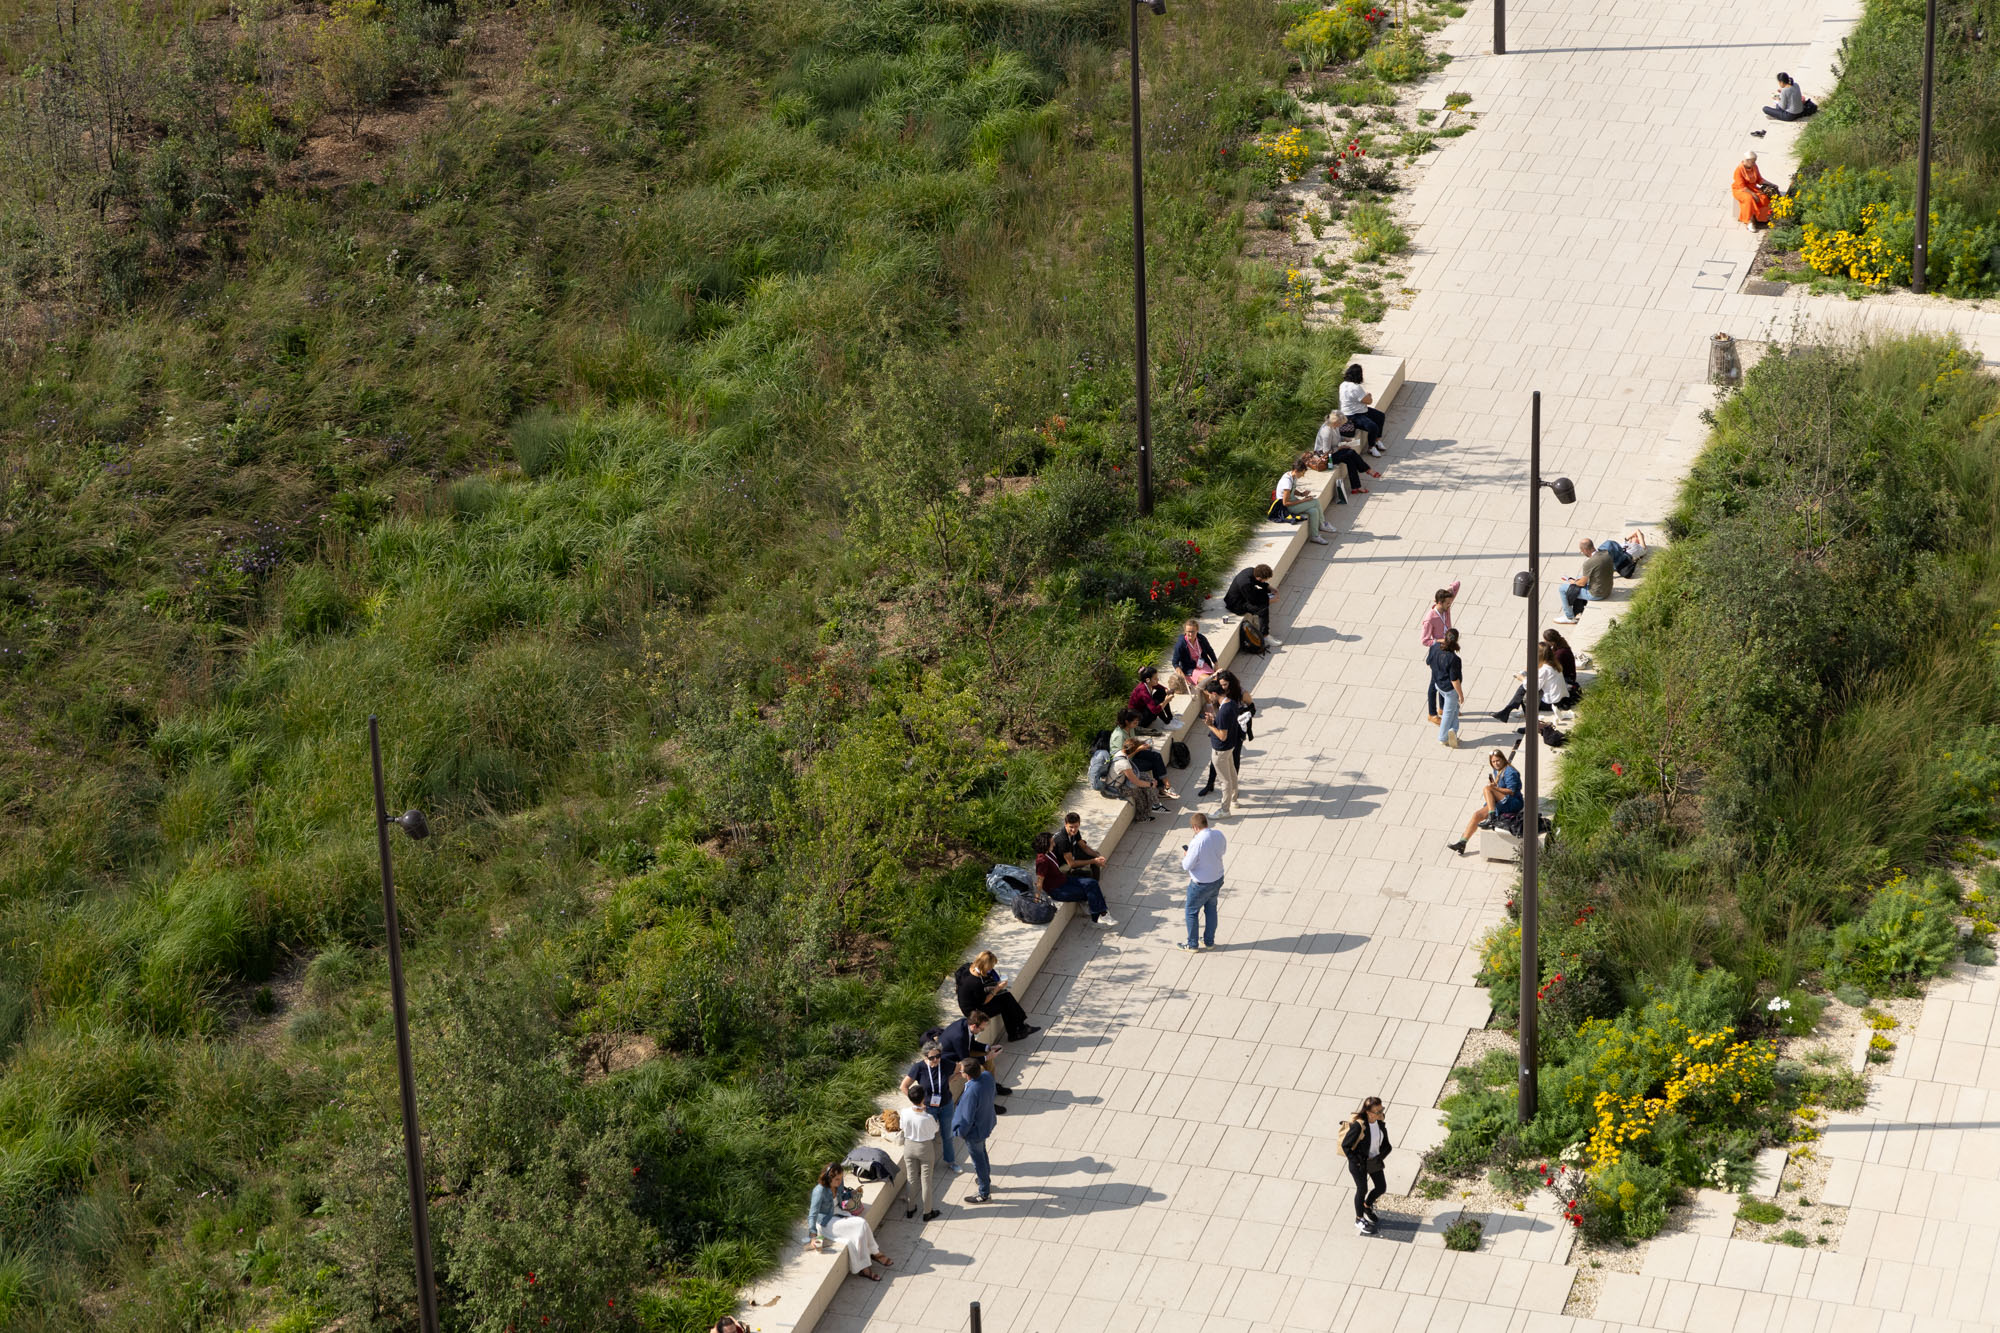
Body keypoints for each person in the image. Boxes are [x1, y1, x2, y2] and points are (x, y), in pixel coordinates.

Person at [808, 1162, 892, 1279]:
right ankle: (875, 1253)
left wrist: (852, 1193)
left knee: (859, 1232)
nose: (839, 1182)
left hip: (839, 1214)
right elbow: (812, 1214)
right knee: (861, 1223)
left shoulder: (838, 1183)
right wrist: (813, 1235)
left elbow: (841, 1197)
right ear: (828, 1178)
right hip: (826, 1222)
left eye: (841, 1178)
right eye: (837, 1179)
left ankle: (865, 1268)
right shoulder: (819, 1191)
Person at [1447, 750, 1524, 855]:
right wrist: (1494, 786)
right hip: (1500, 800)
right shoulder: (1497, 770)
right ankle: (1462, 842)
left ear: (1503, 759)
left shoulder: (1510, 772)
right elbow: (1498, 788)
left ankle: (1492, 817)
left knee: (1487, 789)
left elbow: (1511, 791)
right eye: (1493, 762)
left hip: (1514, 802)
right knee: (1477, 815)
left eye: (1498, 761)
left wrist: (1494, 789)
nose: (1496, 763)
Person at [900, 1041, 958, 1173]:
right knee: (927, 1137)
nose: (936, 1060)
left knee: (947, 1135)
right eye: (932, 1058)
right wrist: (917, 1102)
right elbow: (904, 1087)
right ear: (925, 1057)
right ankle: (927, 1163)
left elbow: (959, 1069)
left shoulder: (945, 1063)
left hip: (946, 1105)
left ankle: (950, 1161)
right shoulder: (918, 1067)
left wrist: (948, 1082)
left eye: (938, 1056)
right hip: (928, 1108)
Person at [954, 949, 1039, 1038]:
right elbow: (984, 1001)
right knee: (1005, 1004)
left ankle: (1020, 1027)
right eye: (990, 968)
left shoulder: (967, 967)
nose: (990, 970)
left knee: (1006, 996)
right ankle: (1015, 1032)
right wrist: (996, 989)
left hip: (967, 1003)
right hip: (974, 1012)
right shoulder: (975, 982)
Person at [1033, 830, 1112, 925]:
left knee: (1092, 883)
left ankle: (1101, 912)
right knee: (1089, 892)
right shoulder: (1042, 861)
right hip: (1057, 890)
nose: (1054, 844)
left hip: (1063, 880)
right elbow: (1040, 880)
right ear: (1046, 844)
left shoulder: (1049, 852)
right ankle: (1098, 918)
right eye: (1052, 842)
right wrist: (1036, 898)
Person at [1340, 1097, 1393, 1235]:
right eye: (1378, 1111)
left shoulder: (1380, 1123)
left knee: (1381, 1187)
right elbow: (1345, 1146)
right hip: (1359, 1164)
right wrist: (1357, 1161)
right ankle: (1359, 1219)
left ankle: (1367, 1205)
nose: (1381, 1112)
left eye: (1382, 1109)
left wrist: (1379, 1157)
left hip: (1373, 1160)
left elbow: (1387, 1145)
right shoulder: (1359, 1126)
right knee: (1362, 1189)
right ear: (1369, 1113)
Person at [1195, 672, 1253, 797]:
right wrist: (1213, 675)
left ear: (1231, 683)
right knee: (1216, 759)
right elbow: (1200, 687)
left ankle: (1233, 789)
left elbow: (1252, 709)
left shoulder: (1242, 693)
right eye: (1221, 685)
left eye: (1225, 684)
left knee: (1234, 759)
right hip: (1221, 726)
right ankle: (1210, 784)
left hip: (1236, 731)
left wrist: (1239, 714)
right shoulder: (1219, 694)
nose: (1223, 688)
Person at [951, 1056, 998, 1203]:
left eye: (961, 1070)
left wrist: (961, 1132)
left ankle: (984, 1193)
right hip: (986, 1122)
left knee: (978, 1161)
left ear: (966, 1075)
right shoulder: (987, 1076)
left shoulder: (972, 1092)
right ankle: (985, 1179)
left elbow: (966, 1117)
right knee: (982, 1152)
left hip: (975, 1131)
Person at [1178, 811, 1226, 952]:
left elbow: (1187, 865)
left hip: (1200, 883)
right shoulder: (1218, 834)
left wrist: (1186, 855)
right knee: (1211, 909)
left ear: (1195, 827)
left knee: (1191, 912)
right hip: (1217, 878)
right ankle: (1209, 941)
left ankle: (1192, 944)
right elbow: (1222, 851)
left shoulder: (1197, 842)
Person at [938, 1011, 1012, 1102]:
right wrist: (987, 1057)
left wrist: (988, 1048)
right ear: (974, 1026)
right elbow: (966, 1060)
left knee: (988, 1062)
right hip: (952, 1060)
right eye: (981, 1029)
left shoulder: (966, 1024)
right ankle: (985, 1100)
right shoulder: (959, 1036)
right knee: (979, 1069)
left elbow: (971, 1044)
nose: (982, 1030)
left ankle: (992, 1087)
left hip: (962, 1052)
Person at [1110, 708, 1179, 799]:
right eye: (1135, 722)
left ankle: (1166, 786)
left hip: (1133, 754)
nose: (1137, 724)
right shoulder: (1119, 736)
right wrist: (1138, 750)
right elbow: (1121, 758)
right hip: (1126, 761)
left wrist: (1142, 744)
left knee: (1156, 756)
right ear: (1127, 722)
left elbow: (1132, 744)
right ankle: (1162, 789)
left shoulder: (1130, 728)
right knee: (1153, 764)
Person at [1419, 581, 1461, 723]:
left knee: (1447, 676)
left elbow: (1457, 585)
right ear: (1440, 602)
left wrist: (1449, 589)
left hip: (1448, 647)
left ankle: (1443, 707)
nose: (1450, 605)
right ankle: (1432, 713)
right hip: (1438, 651)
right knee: (1434, 683)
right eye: (1448, 603)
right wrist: (1440, 640)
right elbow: (1425, 640)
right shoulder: (1430, 619)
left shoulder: (1445, 609)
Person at [1493, 642, 1565, 724]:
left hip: (1550, 703)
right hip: (1557, 699)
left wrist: (1522, 678)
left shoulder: (1545, 669)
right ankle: (1507, 710)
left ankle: (1530, 725)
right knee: (1524, 690)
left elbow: (1534, 687)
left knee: (1525, 697)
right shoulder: (1552, 664)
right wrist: (1527, 671)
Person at [1312, 413, 1382, 495]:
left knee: (1350, 460)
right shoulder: (1326, 432)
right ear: (1335, 422)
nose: (1342, 425)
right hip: (1326, 457)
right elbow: (1326, 452)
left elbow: (1337, 437)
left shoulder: (1334, 426)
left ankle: (1356, 487)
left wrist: (1345, 439)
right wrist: (1340, 448)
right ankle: (1367, 470)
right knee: (1350, 452)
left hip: (1334, 450)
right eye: (1341, 424)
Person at [1271, 456, 1334, 545]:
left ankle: (1314, 536)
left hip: (1293, 502)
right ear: (1296, 471)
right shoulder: (1287, 482)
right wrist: (1303, 500)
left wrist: (1302, 494)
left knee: (1314, 511)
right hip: (1288, 508)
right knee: (1315, 501)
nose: (1302, 476)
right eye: (1302, 473)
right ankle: (1323, 524)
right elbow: (1285, 503)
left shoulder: (1292, 476)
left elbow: (1291, 491)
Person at [900, 1087, 942, 1221]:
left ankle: (910, 1208)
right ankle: (927, 1211)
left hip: (909, 1146)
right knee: (926, 1180)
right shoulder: (928, 1117)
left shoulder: (904, 1112)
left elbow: (902, 1126)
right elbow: (935, 1130)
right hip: (925, 1148)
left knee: (911, 1178)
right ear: (923, 1098)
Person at [1207, 675, 1246, 816]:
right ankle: (1234, 800)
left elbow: (1222, 736)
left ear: (1214, 694)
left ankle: (1225, 810)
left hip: (1221, 750)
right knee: (1232, 774)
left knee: (1225, 781)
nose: (1208, 699)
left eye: (1208, 695)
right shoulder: (1231, 704)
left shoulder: (1223, 711)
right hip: (1230, 747)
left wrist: (1210, 726)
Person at [1557, 538, 1616, 622]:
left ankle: (1569, 617)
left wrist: (1573, 582)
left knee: (1562, 588)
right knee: (1580, 576)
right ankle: (1578, 608)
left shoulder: (1588, 563)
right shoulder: (1606, 554)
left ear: (1585, 550)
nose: (1582, 553)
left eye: (1582, 551)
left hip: (1597, 594)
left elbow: (1581, 584)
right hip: (1608, 589)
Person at [1338, 363, 1388, 457]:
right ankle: (1371, 447)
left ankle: (1377, 440)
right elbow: (1369, 401)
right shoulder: (1356, 388)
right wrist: (1369, 395)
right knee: (1373, 427)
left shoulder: (1343, 385)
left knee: (1380, 416)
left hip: (1359, 410)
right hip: (1354, 415)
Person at [1109, 738, 1162, 820]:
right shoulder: (1124, 764)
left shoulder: (1120, 753)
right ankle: (1142, 817)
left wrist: (1137, 750)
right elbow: (1136, 782)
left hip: (1119, 779)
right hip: (1116, 788)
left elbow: (1128, 756)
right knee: (1138, 791)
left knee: (1144, 775)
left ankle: (1155, 801)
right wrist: (1151, 784)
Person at [1429, 628, 1464, 748]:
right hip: (1450, 690)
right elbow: (1455, 680)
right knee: (1448, 713)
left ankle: (1453, 731)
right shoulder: (1454, 659)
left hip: (1438, 684)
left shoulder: (1435, 648)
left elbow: (1429, 662)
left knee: (1453, 709)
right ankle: (1443, 737)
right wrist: (1461, 694)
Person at [1224, 564, 1275, 641]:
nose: (1266, 581)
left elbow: (1258, 583)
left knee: (1263, 596)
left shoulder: (1251, 571)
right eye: (1266, 579)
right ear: (1259, 578)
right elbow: (1253, 601)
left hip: (1242, 596)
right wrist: (1270, 599)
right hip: (1236, 604)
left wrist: (1270, 588)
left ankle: (1257, 620)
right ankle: (1265, 635)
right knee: (1263, 608)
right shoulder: (1245, 584)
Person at [1053, 811, 1107, 879]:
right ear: (1065, 824)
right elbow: (1072, 864)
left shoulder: (1075, 831)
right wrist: (1093, 860)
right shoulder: (1063, 841)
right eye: (1071, 827)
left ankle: (1094, 884)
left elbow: (1084, 847)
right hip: (1060, 864)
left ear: (1079, 824)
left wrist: (1098, 857)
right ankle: (1089, 886)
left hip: (1071, 854)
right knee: (1087, 872)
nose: (1073, 830)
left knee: (1095, 855)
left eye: (1076, 826)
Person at [1733, 152, 1777, 231]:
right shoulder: (1739, 170)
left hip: (1752, 188)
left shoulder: (1754, 166)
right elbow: (1742, 187)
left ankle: (1762, 219)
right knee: (1749, 199)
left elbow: (1759, 179)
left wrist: (1772, 184)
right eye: (1753, 161)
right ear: (1747, 161)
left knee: (1764, 198)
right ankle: (1749, 222)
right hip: (1740, 190)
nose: (1754, 163)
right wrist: (1753, 194)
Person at [1171, 619, 1219, 689]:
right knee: (1209, 680)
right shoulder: (1181, 644)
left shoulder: (1201, 639)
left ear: (1197, 630)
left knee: (1217, 680)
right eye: (1188, 632)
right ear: (1185, 631)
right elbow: (1175, 662)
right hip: (1190, 669)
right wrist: (1182, 676)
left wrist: (1216, 663)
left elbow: (1209, 650)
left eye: (1193, 632)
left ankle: (1213, 699)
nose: (1190, 634)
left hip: (1203, 665)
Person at [1542, 627, 1580, 706]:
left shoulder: (1560, 654)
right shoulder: (1560, 646)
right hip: (1567, 673)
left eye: (1545, 640)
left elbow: (1551, 669)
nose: (1544, 642)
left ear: (1551, 642)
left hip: (1567, 678)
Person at [1127, 665, 1171, 732]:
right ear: (1148, 680)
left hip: (1144, 711)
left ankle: (1170, 717)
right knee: (1156, 703)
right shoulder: (1143, 690)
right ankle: (1167, 721)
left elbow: (1160, 687)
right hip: (1140, 721)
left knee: (1162, 692)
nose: (1158, 680)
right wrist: (1166, 701)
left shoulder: (1148, 684)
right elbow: (1155, 710)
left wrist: (1166, 690)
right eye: (1155, 678)